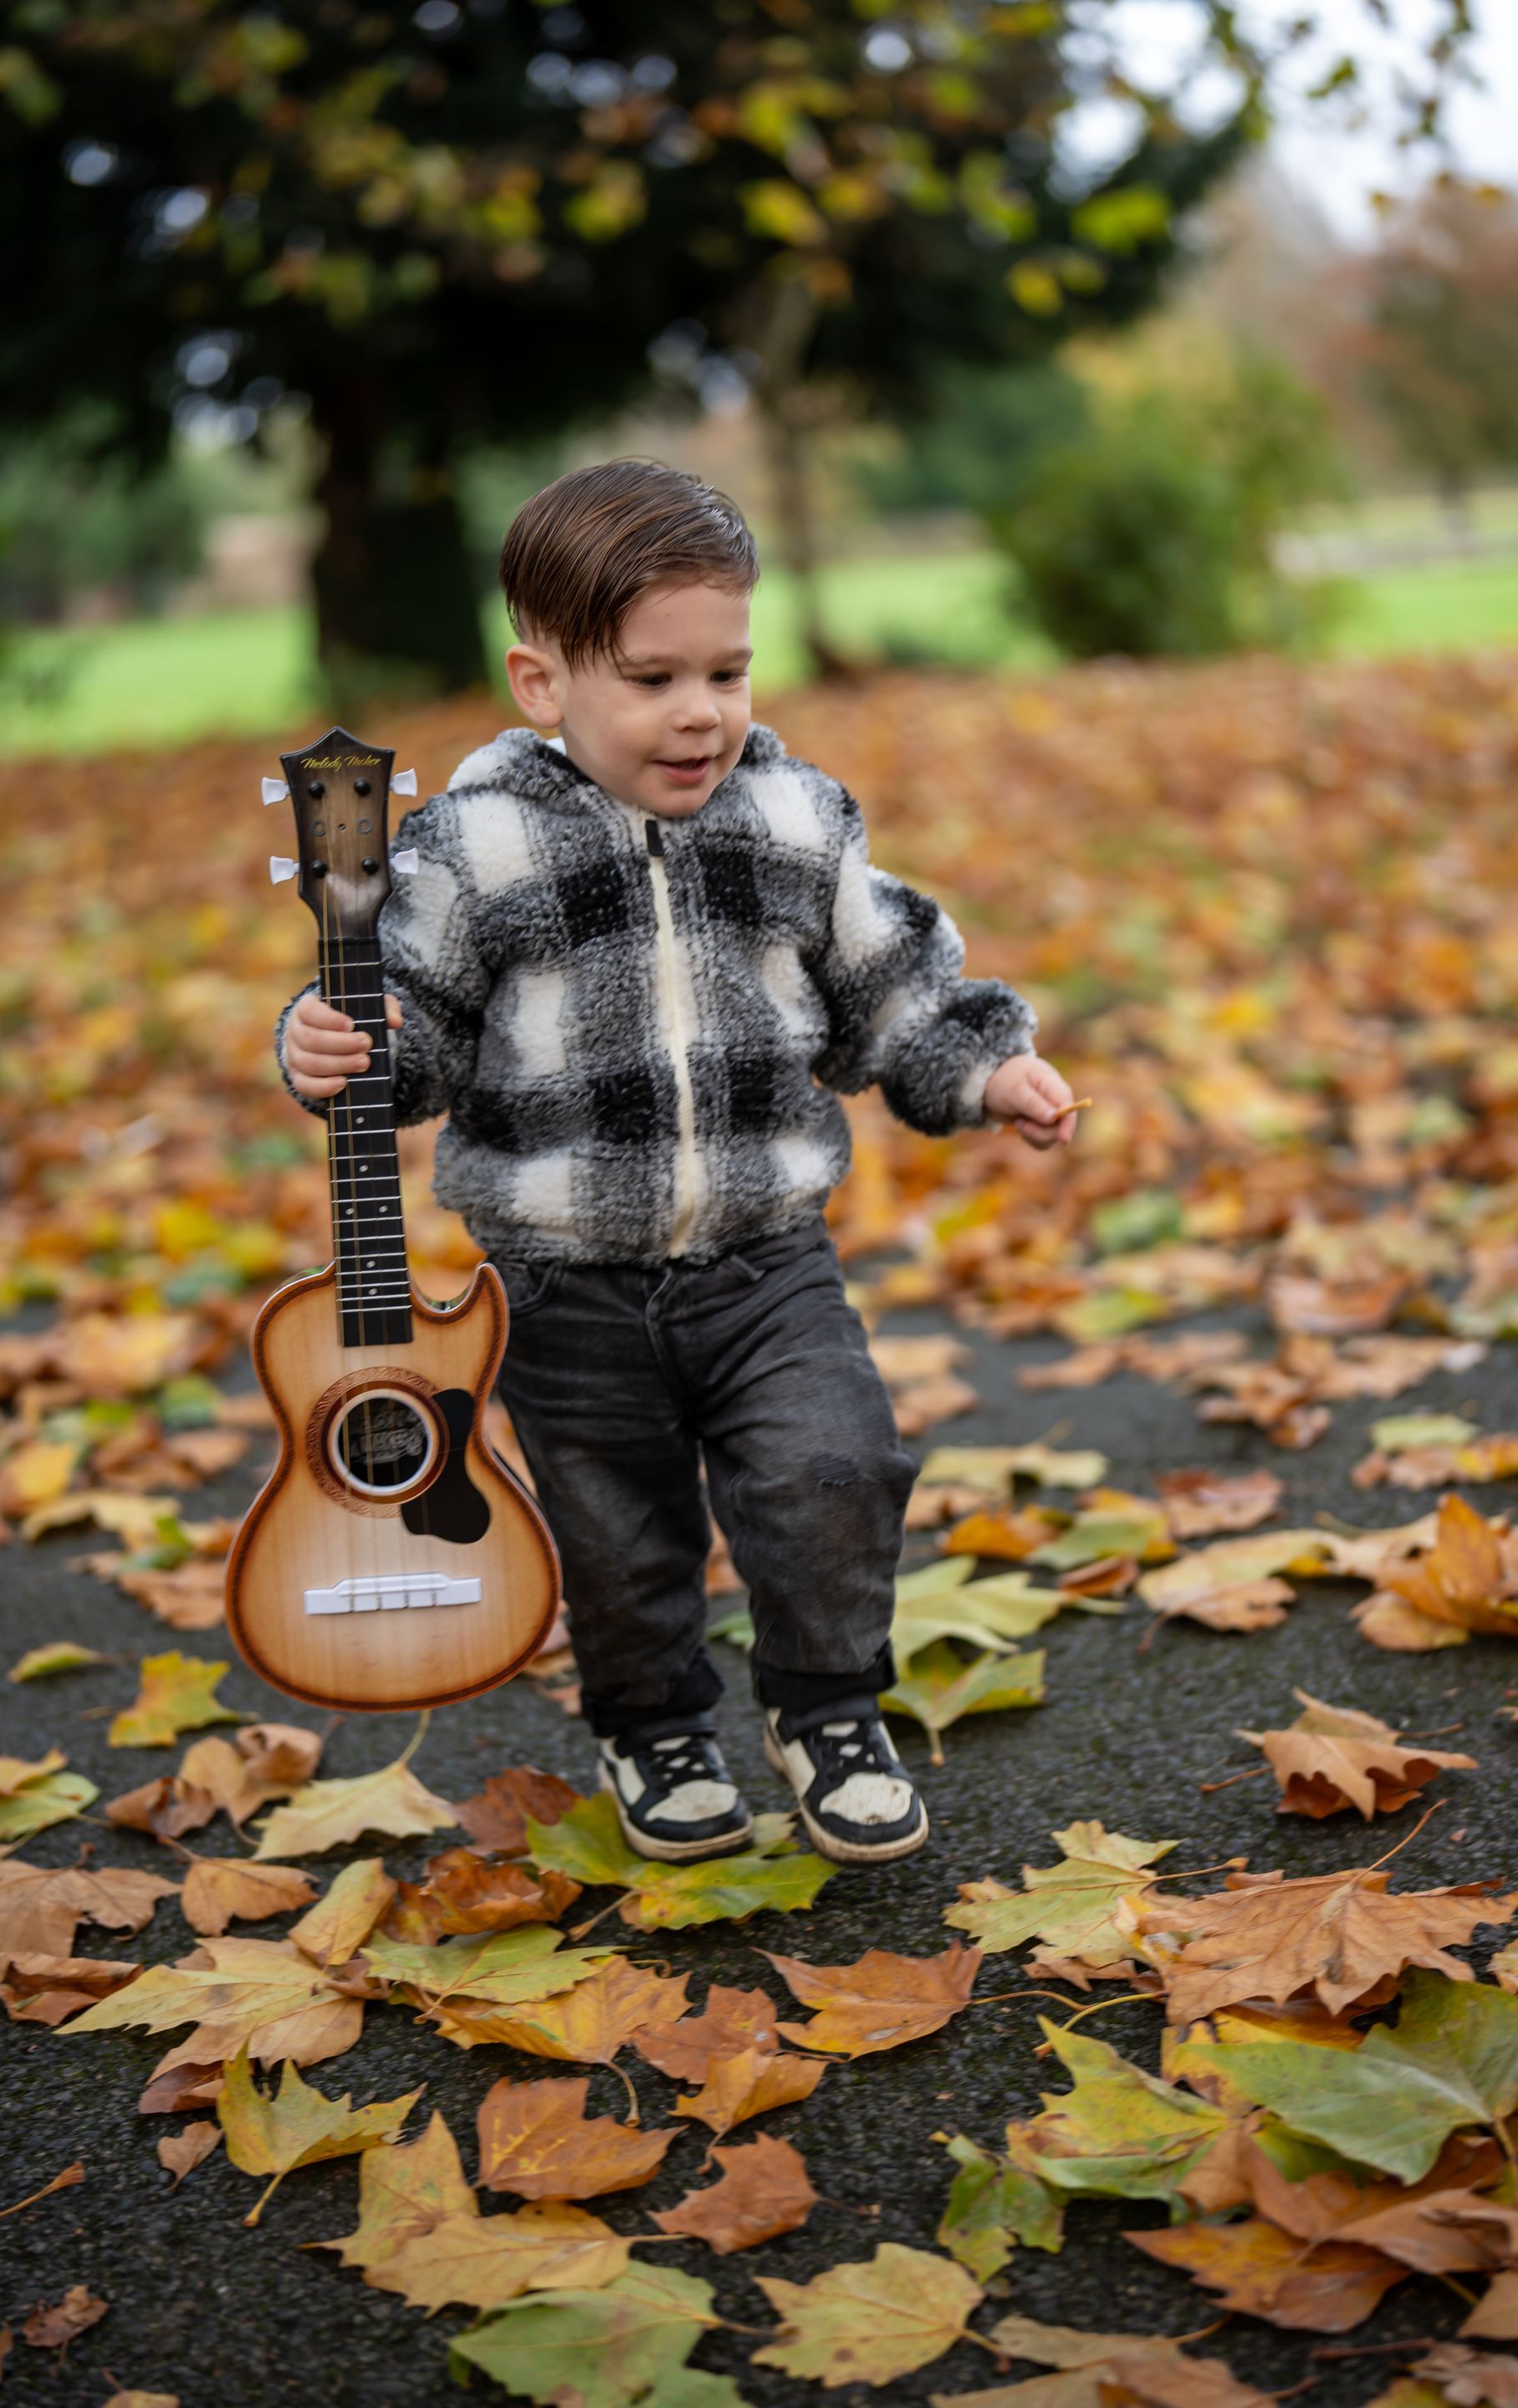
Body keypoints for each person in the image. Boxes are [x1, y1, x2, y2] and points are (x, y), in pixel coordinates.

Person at [279, 459, 1076, 1870]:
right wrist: (343, 1048)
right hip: (563, 1284)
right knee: (614, 1536)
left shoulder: (793, 822)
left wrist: (984, 1061)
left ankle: (828, 1707)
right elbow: (420, 1030)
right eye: (652, 679)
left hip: (768, 1259)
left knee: (835, 1467)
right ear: (542, 684)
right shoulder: (472, 849)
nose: (700, 712)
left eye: (729, 669)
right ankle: (653, 1725)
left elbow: (887, 978)